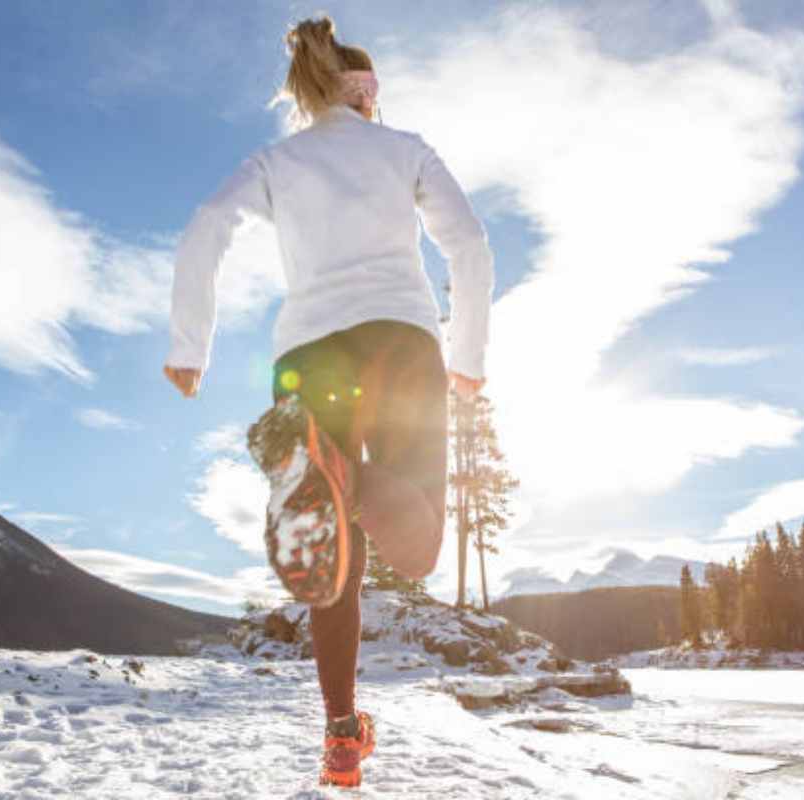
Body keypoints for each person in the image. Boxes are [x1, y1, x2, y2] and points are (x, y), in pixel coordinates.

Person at [161, 14, 494, 789]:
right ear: (365, 93)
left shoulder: (277, 159)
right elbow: (469, 244)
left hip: (307, 360)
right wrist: (469, 356)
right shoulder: (404, 148)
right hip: (403, 345)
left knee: (332, 561)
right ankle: (340, 476)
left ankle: (342, 738)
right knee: (417, 548)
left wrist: (189, 346)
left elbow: (208, 223)